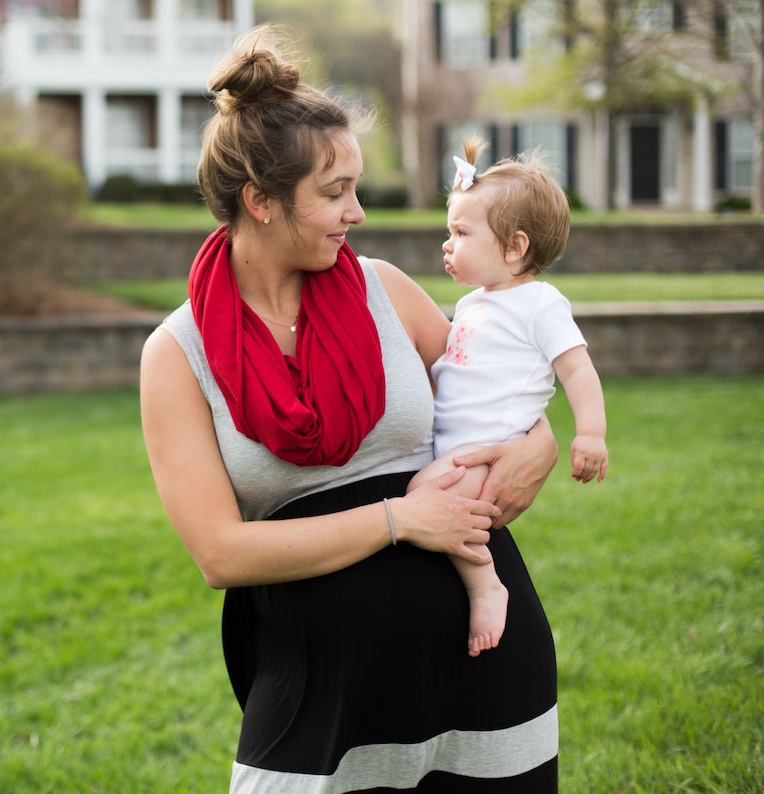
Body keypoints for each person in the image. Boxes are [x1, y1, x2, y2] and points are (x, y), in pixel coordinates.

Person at [140, 24, 561, 793]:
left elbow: (502, 396)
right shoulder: (177, 355)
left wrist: (541, 444)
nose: (357, 212)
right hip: (319, 690)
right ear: (260, 202)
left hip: (489, 662)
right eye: (335, 193)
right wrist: (402, 520)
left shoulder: (386, 292)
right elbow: (219, 554)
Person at [408, 140, 609, 659]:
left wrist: (591, 434)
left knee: (423, 497)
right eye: (447, 232)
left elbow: (578, 371)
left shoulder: (541, 304)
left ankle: (485, 585)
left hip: (484, 450)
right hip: (453, 442)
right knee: (429, 500)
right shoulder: (474, 302)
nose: (447, 245)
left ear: (515, 247)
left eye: (460, 233)